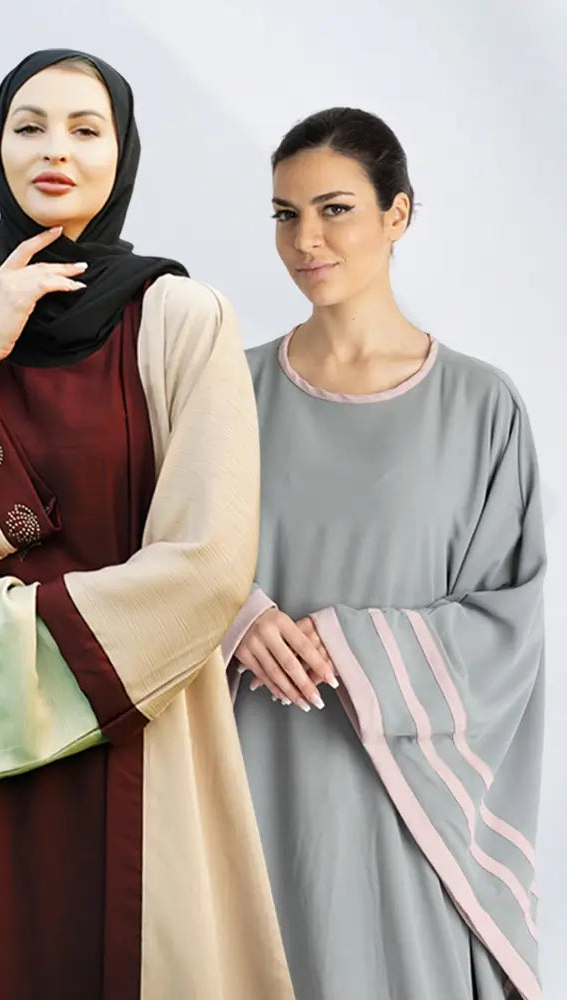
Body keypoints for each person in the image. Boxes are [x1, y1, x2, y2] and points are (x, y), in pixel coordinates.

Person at [0, 49, 294, 1000]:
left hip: (140, 718)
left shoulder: (180, 320)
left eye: (87, 129)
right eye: (28, 125)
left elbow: (210, 562)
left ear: (123, 154)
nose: (56, 150)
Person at [225, 107, 545, 1000]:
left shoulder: (482, 408)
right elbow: (165, 555)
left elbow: (506, 624)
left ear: (397, 214)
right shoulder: (226, 390)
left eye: (335, 210)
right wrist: (238, 617)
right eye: (286, 214)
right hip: (251, 783)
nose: (307, 240)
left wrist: (355, 644)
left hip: (409, 801)